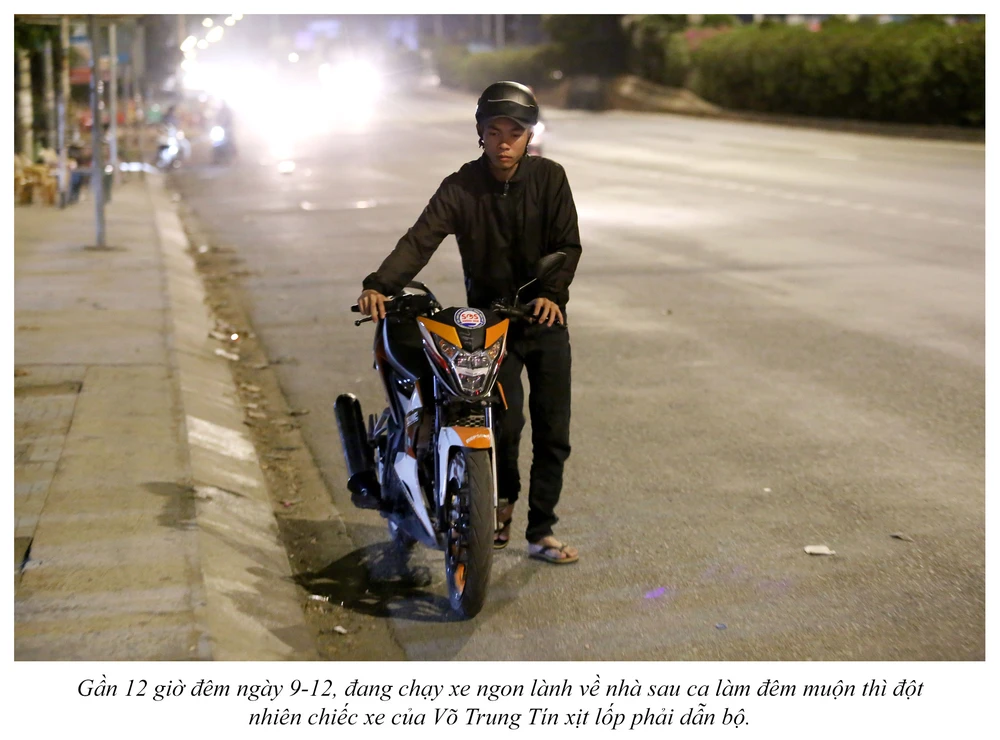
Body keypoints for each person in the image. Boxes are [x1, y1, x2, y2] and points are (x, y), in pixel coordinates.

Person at [357, 81, 582, 565]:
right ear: (480, 133)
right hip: (490, 326)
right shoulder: (460, 187)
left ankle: (541, 530)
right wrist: (380, 284)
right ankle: (499, 505)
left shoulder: (550, 179)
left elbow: (567, 244)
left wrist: (550, 294)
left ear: (529, 136)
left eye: (514, 133)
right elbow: (420, 239)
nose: (504, 143)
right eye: (494, 132)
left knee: (553, 430)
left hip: (543, 318)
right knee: (503, 422)